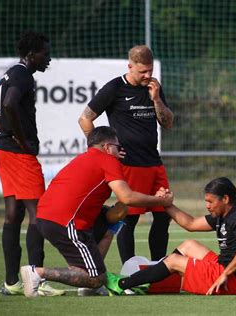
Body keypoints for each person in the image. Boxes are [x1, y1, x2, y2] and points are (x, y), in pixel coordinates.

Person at [19, 126, 173, 298]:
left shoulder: (85, 158)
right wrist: (160, 200)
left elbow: (113, 210)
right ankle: (38, 273)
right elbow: (127, 197)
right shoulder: (108, 161)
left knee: (111, 222)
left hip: (49, 217)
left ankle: (87, 285)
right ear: (107, 147)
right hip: (65, 221)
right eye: (118, 146)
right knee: (96, 277)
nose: (120, 150)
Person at [0, 31, 64, 296]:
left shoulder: (12, 73)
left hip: (5, 151)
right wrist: (18, 135)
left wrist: (6, 130)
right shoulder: (23, 75)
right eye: (45, 54)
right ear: (30, 55)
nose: (48, 59)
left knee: (13, 214)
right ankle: (35, 281)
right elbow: (10, 103)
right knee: (40, 213)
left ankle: (12, 282)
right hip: (18, 153)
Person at [78, 45, 174, 264]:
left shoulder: (153, 88)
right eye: (142, 72)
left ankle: (157, 268)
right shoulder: (114, 88)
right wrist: (102, 150)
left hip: (154, 162)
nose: (147, 75)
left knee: (163, 215)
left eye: (150, 71)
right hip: (129, 164)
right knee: (128, 219)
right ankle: (129, 271)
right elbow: (85, 118)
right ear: (130, 66)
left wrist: (157, 99)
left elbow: (168, 123)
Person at [106, 177, 236, 296]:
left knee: (173, 261)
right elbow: (191, 224)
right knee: (189, 245)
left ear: (225, 199)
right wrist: (166, 204)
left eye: (210, 202)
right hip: (225, 269)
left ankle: (122, 284)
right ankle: (148, 284)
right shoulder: (225, 212)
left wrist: (224, 275)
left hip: (232, 281)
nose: (207, 205)